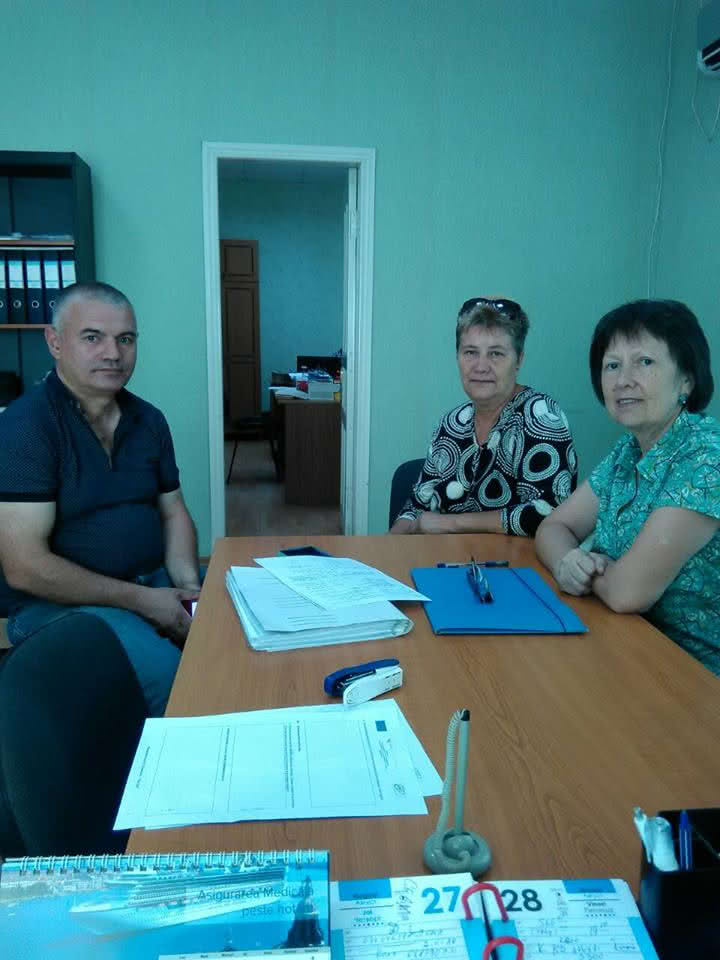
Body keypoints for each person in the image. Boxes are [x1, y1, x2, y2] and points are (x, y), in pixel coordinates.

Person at [0, 282, 201, 715]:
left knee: (237, 635)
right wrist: (144, 602)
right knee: (177, 679)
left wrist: (187, 589)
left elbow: (173, 512)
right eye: (93, 337)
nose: (113, 353)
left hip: (153, 584)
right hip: (59, 607)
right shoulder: (25, 427)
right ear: (55, 342)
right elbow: (24, 567)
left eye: (125, 339)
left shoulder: (149, 420)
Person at [536, 299, 720, 673]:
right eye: (612, 365)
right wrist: (568, 563)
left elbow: (627, 593)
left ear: (686, 379)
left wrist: (591, 573)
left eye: (645, 362)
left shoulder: (706, 459)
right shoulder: (628, 450)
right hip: (623, 646)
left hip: (693, 675)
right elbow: (554, 527)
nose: (623, 380)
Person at [390, 297, 577, 536]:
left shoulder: (540, 418)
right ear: (457, 357)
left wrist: (451, 523)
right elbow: (417, 506)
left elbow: (547, 514)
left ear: (519, 360)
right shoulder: (451, 423)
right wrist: (388, 545)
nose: (481, 366)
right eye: (470, 352)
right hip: (444, 557)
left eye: (496, 354)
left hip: (514, 559)